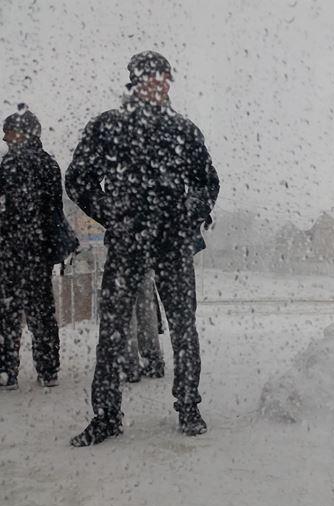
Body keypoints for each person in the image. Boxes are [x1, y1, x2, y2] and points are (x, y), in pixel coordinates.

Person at [65, 51, 219, 446]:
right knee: (112, 331)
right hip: (127, 245)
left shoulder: (183, 130)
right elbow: (78, 178)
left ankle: (188, 406)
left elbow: (207, 182)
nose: (157, 83)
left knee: (184, 329)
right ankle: (107, 416)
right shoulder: (108, 127)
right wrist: (112, 214)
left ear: (170, 81)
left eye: (163, 76)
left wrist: (189, 213)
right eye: (148, 77)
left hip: (173, 245)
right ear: (134, 81)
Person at [0, 105, 72, 390]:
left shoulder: (9, 164)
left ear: (20, 133)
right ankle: (48, 369)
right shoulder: (49, 164)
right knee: (41, 310)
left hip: (9, 250)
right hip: (40, 251)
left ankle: (6, 371)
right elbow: (53, 209)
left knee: (7, 312)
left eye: (7, 133)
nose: (4, 138)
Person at [122, 270, 165, 383]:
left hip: (122, 258)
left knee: (126, 304)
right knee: (145, 304)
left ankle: (130, 364)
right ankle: (153, 360)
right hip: (144, 257)